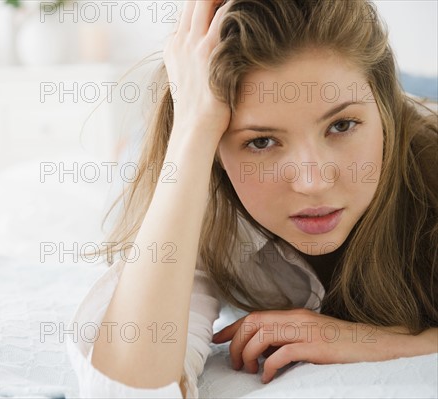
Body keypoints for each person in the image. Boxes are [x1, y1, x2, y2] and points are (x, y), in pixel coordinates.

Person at [66, 0, 438, 397]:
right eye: (261, 142)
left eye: (342, 125)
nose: (312, 182)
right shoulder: (209, 206)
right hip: (167, 144)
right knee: (135, 157)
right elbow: (124, 391)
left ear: (384, 111)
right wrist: (193, 127)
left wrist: (374, 341)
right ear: (217, 153)